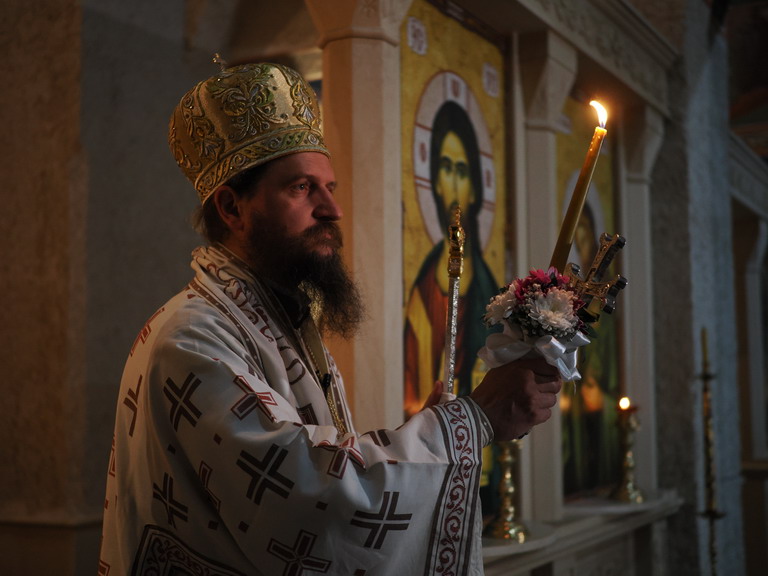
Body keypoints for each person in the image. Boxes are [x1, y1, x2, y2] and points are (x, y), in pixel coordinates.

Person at [98, 62, 561, 576]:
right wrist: (472, 421)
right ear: (232, 208)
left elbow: (322, 463)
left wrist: (429, 436)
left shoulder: (278, 323)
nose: (332, 209)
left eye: (330, 186)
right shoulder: (192, 339)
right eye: (302, 188)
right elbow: (309, 498)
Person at [403, 100, 500, 418]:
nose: (454, 183)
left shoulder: (493, 294)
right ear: (435, 182)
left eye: (462, 171)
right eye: (445, 168)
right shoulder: (422, 297)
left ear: (474, 189)